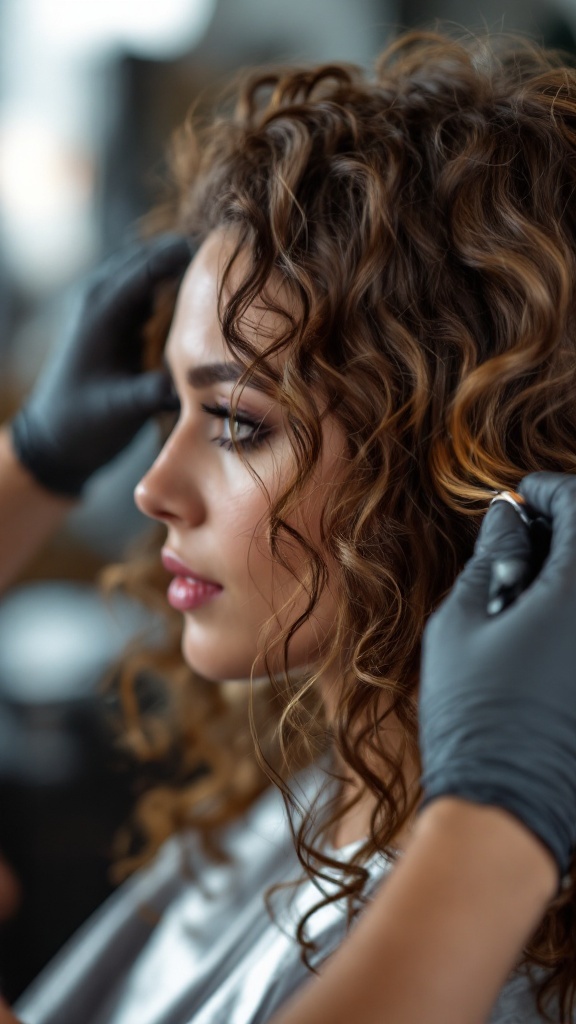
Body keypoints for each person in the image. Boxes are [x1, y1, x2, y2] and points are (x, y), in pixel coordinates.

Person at [1, 27, 576, 1024]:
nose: (150, 488)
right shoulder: (324, 801)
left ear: (451, 461)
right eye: (166, 408)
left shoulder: (496, 963)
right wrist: (32, 460)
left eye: (234, 419)